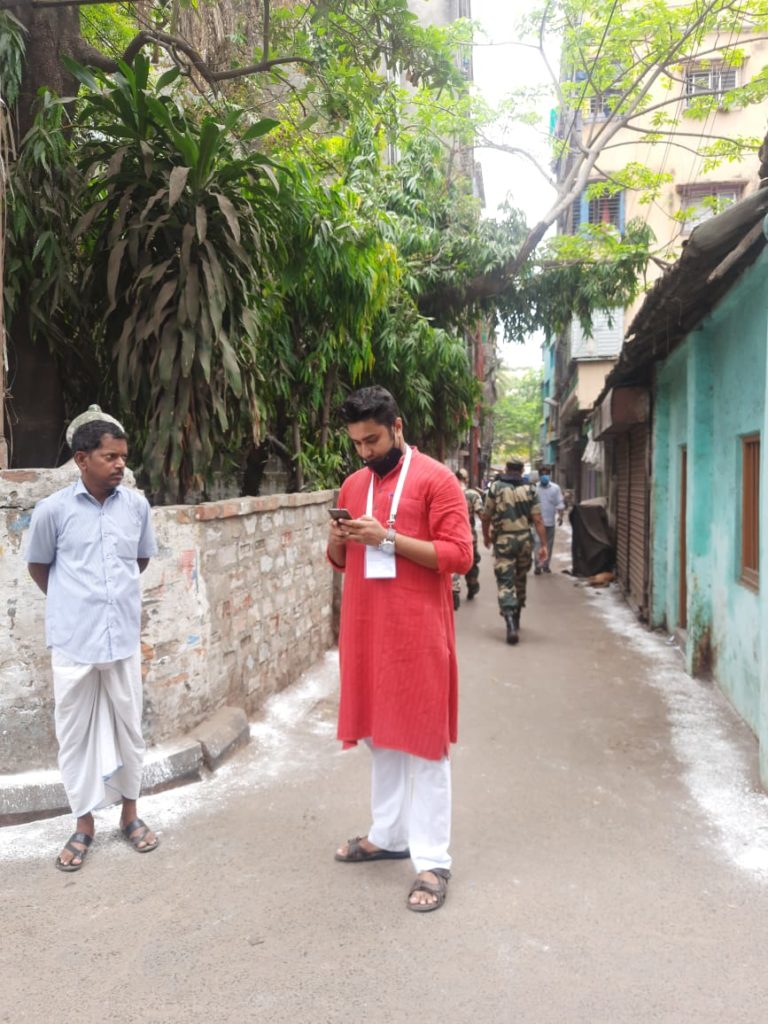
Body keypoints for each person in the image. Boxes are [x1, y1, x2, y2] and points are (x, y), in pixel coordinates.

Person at [327, 386, 473, 912]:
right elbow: (338, 560)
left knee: (424, 745)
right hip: (365, 629)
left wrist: (386, 539)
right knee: (381, 739)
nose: (364, 451)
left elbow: (459, 555)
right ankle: (388, 834)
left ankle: (432, 860)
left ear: (398, 428)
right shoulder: (353, 483)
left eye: (372, 439)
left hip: (416, 631)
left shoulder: (437, 479)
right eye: (357, 443)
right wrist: (342, 537)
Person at [25, 410, 159, 871]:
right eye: (109, 456)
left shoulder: (137, 507)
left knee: (129, 729)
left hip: (121, 637)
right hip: (73, 641)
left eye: (123, 457)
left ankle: (130, 814)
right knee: (74, 736)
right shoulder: (53, 511)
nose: (120, 465)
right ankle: (83, 824)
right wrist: (76, 602)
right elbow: (39, 567)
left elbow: (138, 561)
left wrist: (108, 601)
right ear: (82, 459)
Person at [481, 457, 547, 645]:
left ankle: (509, 621)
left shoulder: (496, 488)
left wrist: (486, 536)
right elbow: (538, 519)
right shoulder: (530, 489)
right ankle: (516, 616)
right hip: (524, 541)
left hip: (503, 541)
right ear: (521, 471)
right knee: (520, 577)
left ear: (507, 468)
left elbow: (486, 516)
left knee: (505, 581)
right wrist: (543, 545)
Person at [451, 468, 483, 608]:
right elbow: (481, 514)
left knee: (452, 563)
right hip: (468, 535)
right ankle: (472, 584)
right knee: (471, 561)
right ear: (466, 479)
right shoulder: (472, 494)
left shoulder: (446, 491)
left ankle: (454, 587)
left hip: (449, 534)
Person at [533, 465, 565, 575]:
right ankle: (538, 566)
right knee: (538, 544)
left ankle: (546, 565)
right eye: (542, 474)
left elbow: (560, 503)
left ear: (550, 475)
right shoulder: (534, 488)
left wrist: (560, 517)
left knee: (548, 544)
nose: (544, 476)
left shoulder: (555, 488)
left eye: (546, 474)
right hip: (537, 522)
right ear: (539, 475)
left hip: (550, 521)